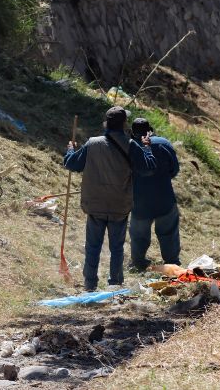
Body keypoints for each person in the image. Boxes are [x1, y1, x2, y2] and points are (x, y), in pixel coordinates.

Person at [63, 107, 156, 291]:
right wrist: (147, 148)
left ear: (106, 123)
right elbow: (148, 168)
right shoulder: (131, 145)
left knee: (92, 247)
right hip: (119, 206)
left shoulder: (92, 143)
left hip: (95, 204)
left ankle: (90, 284)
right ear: (124, 124)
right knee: (117, 247)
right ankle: (115, 283)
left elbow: (72, 164)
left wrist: (70, 151)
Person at [128, 118, 181, 271]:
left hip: (139, 200)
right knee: (168, 231)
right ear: (149, 130)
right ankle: (172, 263)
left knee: (138, 234)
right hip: (164, 197)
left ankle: (138, 262)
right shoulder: (163, 143)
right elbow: (174, 169)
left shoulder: (130, 147)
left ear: (132, 132)